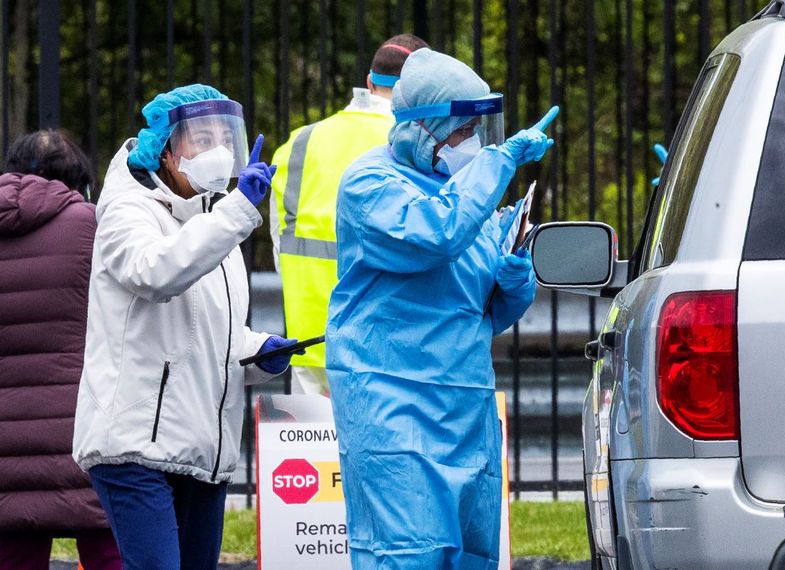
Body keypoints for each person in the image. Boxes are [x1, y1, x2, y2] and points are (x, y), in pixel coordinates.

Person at [326, 48, 558, 569]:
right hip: (392, 398)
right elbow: (436, 235)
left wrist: (514, 273)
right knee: (408, 554)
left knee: (470, 555)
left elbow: (485, 312)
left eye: (478, 130)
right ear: (420, 130)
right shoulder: (370, 184)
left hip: (465, 402)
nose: (473, 144)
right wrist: (501, 161)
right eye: (460, 133)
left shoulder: (464, 195)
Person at [72, 84, 297, 570]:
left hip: (199, 450)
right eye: (201, 138)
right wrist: (239, 211)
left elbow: (212, 334)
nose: (217, 149)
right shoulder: (129, 209)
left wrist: (259, 351)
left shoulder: (217, 219)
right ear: (167, 150)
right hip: (134, 446)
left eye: (224, 136)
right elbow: (156, 273)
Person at [270, 33, 428, 396]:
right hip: (392, 343)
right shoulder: (415, 145)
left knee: (318, 452)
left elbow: (282, 249)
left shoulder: (299, 143)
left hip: (312, 342)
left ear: (369, 82)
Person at [0, 131, 122, 570]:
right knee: (109, 547)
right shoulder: (92, 225)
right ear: (79, 180)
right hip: (83, 428)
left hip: (7, 440)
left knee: (14, 551)